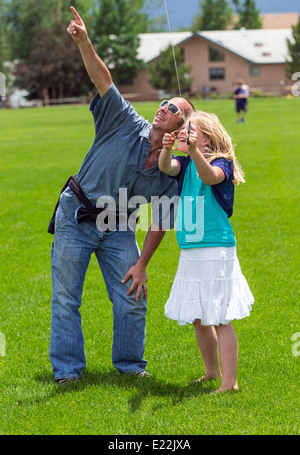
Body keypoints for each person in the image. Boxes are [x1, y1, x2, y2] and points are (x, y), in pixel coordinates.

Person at [48, 6, 194, 383]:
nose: (165, 107)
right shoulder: (124, 119)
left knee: (132, 296)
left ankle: (130, 366)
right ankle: (67, 373)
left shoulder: (170, 170)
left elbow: (161, 220)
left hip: (117, 227)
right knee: (66, 300)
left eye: (174, 108)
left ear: (182, 126)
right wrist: (84, 42)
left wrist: (142, 263)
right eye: (165, 103)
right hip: (75, 216)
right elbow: (104, 80)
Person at [159, 110, 254, 393]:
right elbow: (167, 168)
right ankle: (212, 372)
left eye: (189, 130)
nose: (182, 133)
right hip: (191, 250)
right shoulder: (186, 165)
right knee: (199, 316)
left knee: (220, 316)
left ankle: (230, 381)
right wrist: (166, 150)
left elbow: (210, 177)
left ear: (207, 140)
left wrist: (195, 154)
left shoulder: (220, 163)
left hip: (216, 249)